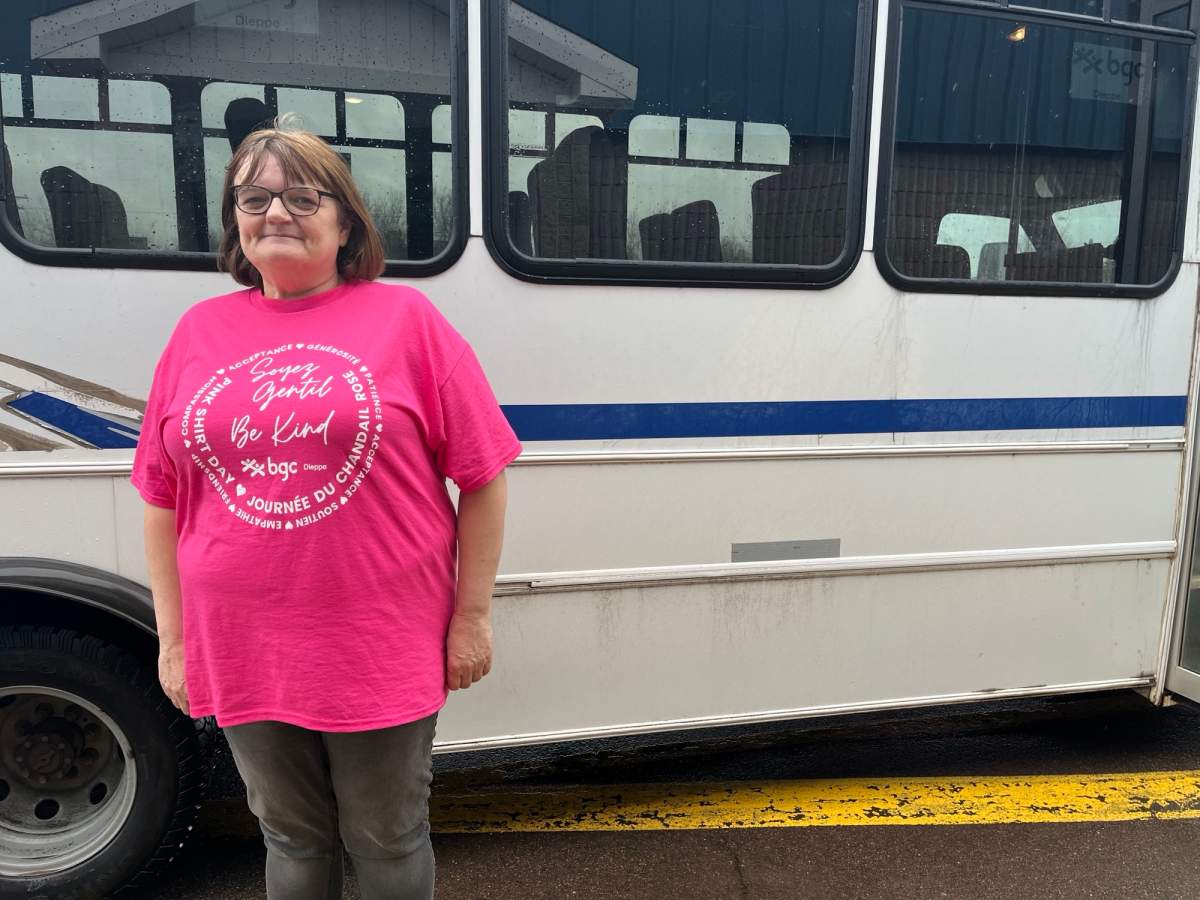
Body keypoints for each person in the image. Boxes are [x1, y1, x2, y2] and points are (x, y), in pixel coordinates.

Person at [131, 117, 521, 900]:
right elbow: (161, 498)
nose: (276, 212)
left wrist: (471, 617)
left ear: (345, 222)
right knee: (290, 837)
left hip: (376, 638)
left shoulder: (407, 322)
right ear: (235, 224)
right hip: (242, 640)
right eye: (254, 198)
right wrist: (175, 643)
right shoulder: (197, 332)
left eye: (302, 197)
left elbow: (483, 475)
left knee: (386, 837)